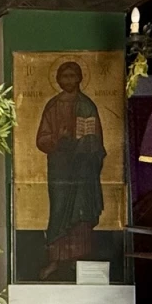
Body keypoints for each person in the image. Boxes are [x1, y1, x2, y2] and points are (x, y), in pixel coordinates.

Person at [36, 61, 105, 278]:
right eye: (64, 76)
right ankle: (54, 260)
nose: (68, 80)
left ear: (80, 78)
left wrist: (85, 142)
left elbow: (96, 139)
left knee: (80, 211)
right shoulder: (53, 106)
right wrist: (59, 138)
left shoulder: (87, 105)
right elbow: (42, 139)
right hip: (60, 166)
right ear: (58, 79)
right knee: (58, 209)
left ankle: (78, 261)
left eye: (72, 76)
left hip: (83, 167)